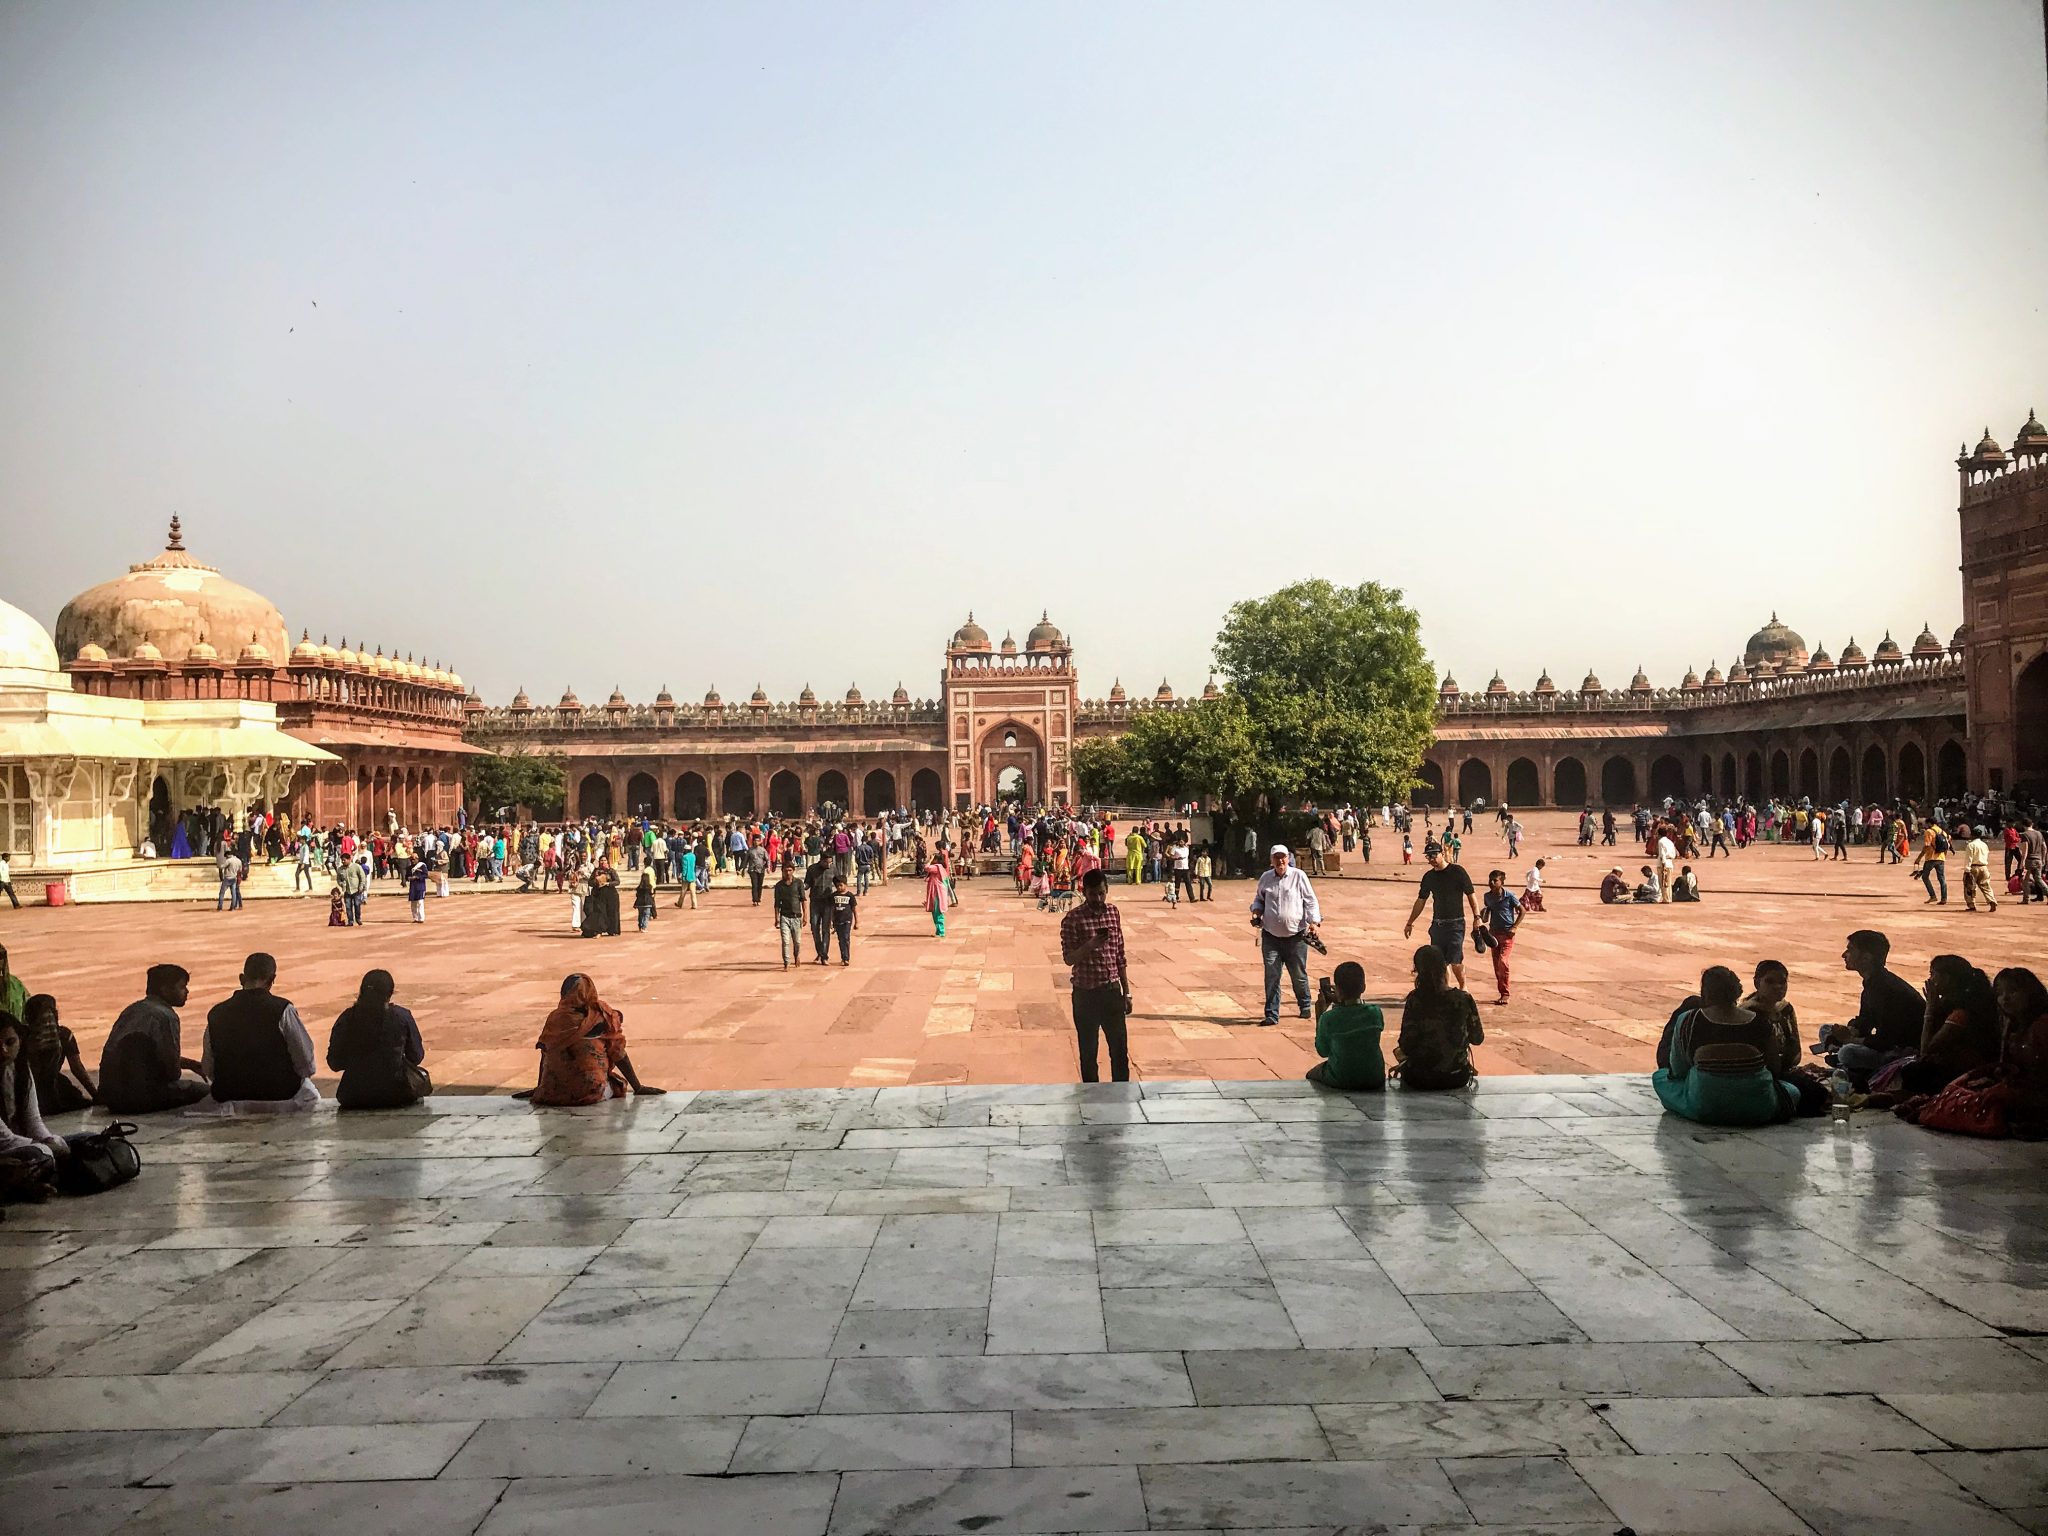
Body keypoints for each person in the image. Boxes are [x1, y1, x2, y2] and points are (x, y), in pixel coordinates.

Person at [1652, 965, 1799, 1126]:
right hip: (1759, 1108)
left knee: (1659, 1078)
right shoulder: (1760, 1022)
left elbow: (1678, 1070)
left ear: (1706, 993)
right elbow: (1773, 1069)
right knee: (1792, 1091)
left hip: (1706, 1106)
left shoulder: (1689, 1020)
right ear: (1737, 991)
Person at [201, 952, 320, 1109]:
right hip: (279, 1093)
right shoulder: (282, 1009)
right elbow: (306, 1062)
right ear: (272, 980)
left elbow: (208, 1067)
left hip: (229, 1094)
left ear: (241, 978)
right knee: (311, 1095)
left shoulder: (216, 1013)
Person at [530, 973, 663, 1106]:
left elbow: (545, 1053)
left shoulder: (554, 1019)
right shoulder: (601, 1017)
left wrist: (540, 1088)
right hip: (589, 1092)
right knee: (616, 1084)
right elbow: (618, 1053)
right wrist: (638, 1087)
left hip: (551, 1093)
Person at [1817, 929, 1925, 1088]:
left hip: (1901, 1052)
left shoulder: (1888, 990)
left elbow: (1886, 1041)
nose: (1844, 955)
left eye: (1851, 950)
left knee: (1848, 1053)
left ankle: (1845, 1062)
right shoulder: (1873, 984)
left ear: (1866, 957)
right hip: (1884, 1043)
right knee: (1826, 1029)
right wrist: (1851, 1030)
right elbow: (1865, 1021)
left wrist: (1849, 1039)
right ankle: (1842, 1058)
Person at [98, 964, 210, 1113]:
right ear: (165, 990)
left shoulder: (132, 1010)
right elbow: (171, 1071)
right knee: (209, 1093)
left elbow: (130, 1054)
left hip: (112, 1097)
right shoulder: (166, 1017)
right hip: (144, 1098)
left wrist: (189, 1064)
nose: (187, 991)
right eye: (182, 987)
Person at [1059, 867, 1131, 1082]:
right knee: (1089, 1053)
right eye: (1093, 894)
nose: (1098, 899)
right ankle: (1091, 1101)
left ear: (1107, 890)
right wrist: (1090, 945)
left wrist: (1127, 992)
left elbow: (1120, 955)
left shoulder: (1113, 912)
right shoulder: (1073, 919)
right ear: (1084, 891)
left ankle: (1121, 1098)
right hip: (1086, 994)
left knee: (1119, 1052)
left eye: (1101, 893)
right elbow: (1069, 958)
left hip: (1111, 991)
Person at [326, 969, 432, 1110]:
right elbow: (416, 1056)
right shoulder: (402, 1016)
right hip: (397, 1094)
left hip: (353, 1095)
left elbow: (334, 1063)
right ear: (390, 993)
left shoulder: (346, 1018)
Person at [0, 1014, 77, 1201]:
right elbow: (4, 1139)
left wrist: (52, 1141)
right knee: (39, 1154)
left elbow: (33, 1121)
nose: (3, 1050)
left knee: (84, 1142)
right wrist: (47, 1147)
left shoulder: (20, 1069)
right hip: (6, 1149)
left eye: (10, 1042)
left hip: (18, 1145)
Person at [1742, 959, 1829, 1117]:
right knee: (1815, 1093)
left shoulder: (1785, 1010)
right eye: (1770, 982)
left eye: (1782, 982)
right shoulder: (1749, 1013)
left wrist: (1789, 1056)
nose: (1778, 987)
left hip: (1785, 1067)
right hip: (1761, 1072)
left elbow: (1796, 1055)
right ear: (1757, 983)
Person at [1393, 946, 1484, 1090]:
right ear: (1444, 967)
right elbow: (1477, 1038)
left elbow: (1406, 1044)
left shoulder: (1415, 999)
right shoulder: (1463, 999)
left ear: (1417, 971)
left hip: (1420, 1077)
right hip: (1457, 1076)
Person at [1250, 844, 1321, 1026]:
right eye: (1276, 858)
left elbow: (1310, 900)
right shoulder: (1266, 878)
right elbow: (1258, 898)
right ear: (1271, 860)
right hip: (1271, 936)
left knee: (1298, 975)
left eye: (1283, 857)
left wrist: (1314, 922)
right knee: (1272, 975)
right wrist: (1256, 911)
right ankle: (1272, 1014)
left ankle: (1305, 1004)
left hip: (1296, 937)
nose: (1280, 861)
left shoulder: (1298, 876)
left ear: (1288, 858)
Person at [1403, 843, 1477, 991]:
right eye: (1428, 856)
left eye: (1434, 855)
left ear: (1442, 853)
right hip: (1438, 925)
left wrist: (1477, 916)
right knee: (1440, 961)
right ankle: (1445, 989)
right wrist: (1410, 922)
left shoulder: (1458, 871)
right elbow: (1421, 900)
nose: (1431, 859)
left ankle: (1463, 988)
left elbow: (1470, 894)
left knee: (1456, 960)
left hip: (1456, 924)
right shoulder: (1429, 877)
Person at [1306, 960, 1384, 1091]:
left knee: (1312, 1074)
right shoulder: (1375, 1012)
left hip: (1342, 1078)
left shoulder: (1329, 1018)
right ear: (1363, 987)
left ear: (1337, 989)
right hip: (1374, 1077)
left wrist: (1320, 1015)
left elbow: (1322, 1051)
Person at [19, 994, 94, 1113]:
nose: (47, 1024)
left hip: (51, 1083)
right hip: (27, 1084)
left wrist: (96, 1095)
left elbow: (77, 1068)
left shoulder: (64, 1036)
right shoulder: (21, 1038)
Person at [1478, 870, 1521, 1005]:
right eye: (1490, 880)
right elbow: (1487, 914)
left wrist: (1515, 927)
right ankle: (1502, 991)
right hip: (1494, 934)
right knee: (1497, 966)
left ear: (1501, 882)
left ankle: (1505, 993)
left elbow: (1522, 911)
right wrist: (1483, 915)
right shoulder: (1488, 897)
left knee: (1503, 962)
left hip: (1507, 934)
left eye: (1495, 881)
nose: (1491, 883)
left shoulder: (1509, 896)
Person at [771, 862, 805, 968]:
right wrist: (776, 918)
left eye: (790, 870)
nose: (788, 872)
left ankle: (796, 955)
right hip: (784, 916)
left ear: (793, 871)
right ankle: (786, 961)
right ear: (782, 871)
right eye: (786, 870)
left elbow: (803, 900)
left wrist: (805, 916)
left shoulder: (799, 883)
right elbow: (777, 903)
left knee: (797, 942)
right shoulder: (779, 886)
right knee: (785, 941)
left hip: (796, 916)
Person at [1911, 819, 1950, 905]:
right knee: (1941, 878)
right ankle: (1944, 898)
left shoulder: (1929, 831)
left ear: (1929, 823)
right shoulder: (1943, 832)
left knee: (1925, 877)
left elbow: (1927, 846)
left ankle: (1933, 896)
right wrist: (1944, 856)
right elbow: (1947, 845)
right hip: (1941, 858)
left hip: (1931, 857)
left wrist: (1919, 858)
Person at [1962, 826, 1999, 913]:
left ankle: (1972, 905)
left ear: (1973, 835)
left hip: (1973, 868)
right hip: (1984, 867)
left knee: (1970, 888)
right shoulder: (1984, 845)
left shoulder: (1971, 845)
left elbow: (1969, 858)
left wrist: (1967, 870)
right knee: (1986, 886)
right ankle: (1991, 900)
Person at [581, 863, 622, 937]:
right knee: (599, 913)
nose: (603, 862)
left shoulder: (611, 871)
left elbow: (617, 881)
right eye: (601, 860)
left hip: (610, 895)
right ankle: (597, 930)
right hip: (598, 895)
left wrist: (607, 883)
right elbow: (590, 882)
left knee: (612, 913)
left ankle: (612, 930)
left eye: (605, 860)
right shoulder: (596, 871)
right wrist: (597, 881)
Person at [829, 874, 858, 965]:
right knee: (841, 940)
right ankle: (843, 957)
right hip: (837, 922)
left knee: (846, 938)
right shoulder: (834, 896)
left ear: (846, 884)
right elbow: (831, 909)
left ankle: (846, 958)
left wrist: (857, 922)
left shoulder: (850, 896)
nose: (839, 887)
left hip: (847, 921)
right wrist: (830, 920)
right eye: (837, 886)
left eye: (841, 885)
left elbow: (854, 909)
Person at [923, 856, 948, 937]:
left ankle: (941, 932)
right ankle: (938, 931)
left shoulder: (938, 867)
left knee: (938, 912)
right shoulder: (939, 868)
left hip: (938, 893)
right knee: (935, 912)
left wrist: (930, 859)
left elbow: (927, 867)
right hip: (935, 892)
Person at [406, 857, 429, 923]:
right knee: (413, 903)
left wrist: (417, 877)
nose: (412, 861)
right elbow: (406, 876)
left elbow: (426, 875)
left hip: (420, 886)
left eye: (414, 859)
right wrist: (409, 878)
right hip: (413, 887)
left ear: (417, 859)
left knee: (420, 902)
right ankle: (415, 918)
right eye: (411, 860)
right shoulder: (409, 868)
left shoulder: (422, 866)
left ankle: (421, 918)